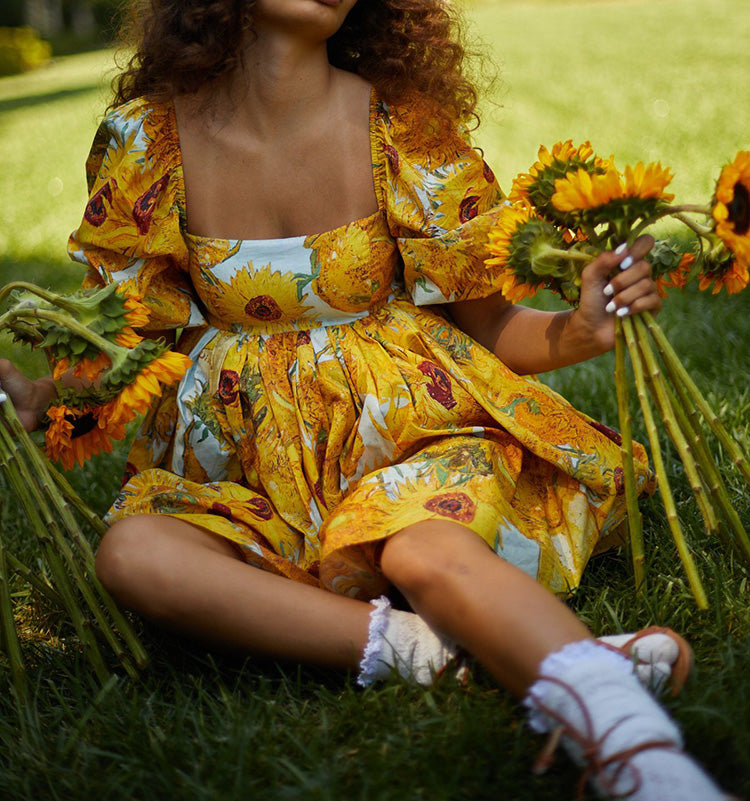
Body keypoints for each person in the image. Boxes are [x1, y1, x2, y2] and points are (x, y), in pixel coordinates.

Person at [0, 1, 729, 798]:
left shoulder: (398, 124)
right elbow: (126, 337)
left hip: (414, 435)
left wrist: (583, 329)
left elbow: (486, 323)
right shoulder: (148, 141)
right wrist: (40, 397)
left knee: (421, 551)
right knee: (134, 554)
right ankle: (433, 653)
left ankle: (630, 739)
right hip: (253, 480)